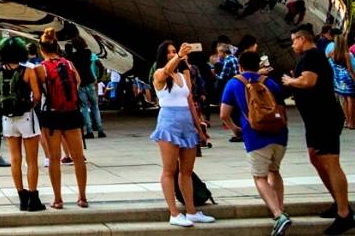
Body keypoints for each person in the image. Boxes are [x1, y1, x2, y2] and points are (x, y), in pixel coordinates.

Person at [282, 27, 354, 234]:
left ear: (302, 39)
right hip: (315, 120)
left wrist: (290, 81)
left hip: (325, 119)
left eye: (294, 41)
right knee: (315, 157)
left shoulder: (312, 56)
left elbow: (308, 81)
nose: (293, 45)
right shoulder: (310, 57)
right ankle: (339, 203)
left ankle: (344, 214)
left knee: (331, 162)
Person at [220, 51, 291, 236]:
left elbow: (223, 113)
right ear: (257, 65)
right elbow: (282, 111)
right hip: (279, 135)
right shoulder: (269, 82)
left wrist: (235, 128)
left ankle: (278, 215)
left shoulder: (234, 83)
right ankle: (280, 209)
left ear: (240, 66)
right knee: (274, 171)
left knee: (259, 177)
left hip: (255, 136)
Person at [150, 41, 214, 228]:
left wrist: (199, 126)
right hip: (169, 121)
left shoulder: (184, 73)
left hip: (186, 121)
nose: (172, 54)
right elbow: (164, 72)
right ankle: (174, 213)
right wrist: (178, 56)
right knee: (169, 170)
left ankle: (192, 211)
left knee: (186, 170)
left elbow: (190, 100)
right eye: (169, 52)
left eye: (174, 52)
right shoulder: (159, 73)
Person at [0, 37, 45, 212]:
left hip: (7, 119)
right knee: (31, 160)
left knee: (15, 159)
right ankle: (33, 198)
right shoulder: (27, 71)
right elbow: (37, 96)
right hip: (26, 117)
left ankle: (21, 197)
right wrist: (29, 105)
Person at [36, 28, 87, 209]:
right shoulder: (69, 64)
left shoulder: (40, 68)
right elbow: (78, 82)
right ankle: (82, 197)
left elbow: (36, 94)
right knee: (78, 157)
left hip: (52, 115)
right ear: (57, 46)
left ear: (41, 49)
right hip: (71, 113)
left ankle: (58, 199)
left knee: (54, 158)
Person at [69, 36, 104, 139]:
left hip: (80, 83)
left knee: (84, 107)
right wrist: (100, 78)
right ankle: (100, 130)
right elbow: (100, 65)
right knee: (95, 106)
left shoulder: (73, 56)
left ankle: (89, 131)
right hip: (90, 82)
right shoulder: (88, 53)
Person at [327, 33, 355, 129]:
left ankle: (347, 121)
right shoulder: (346, 54)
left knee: (344, 101)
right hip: (347, 78)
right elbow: (350, 69)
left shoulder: (332, 53)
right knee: (350, 100)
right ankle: (352, 123)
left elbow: (329, 63)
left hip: (338, 78)